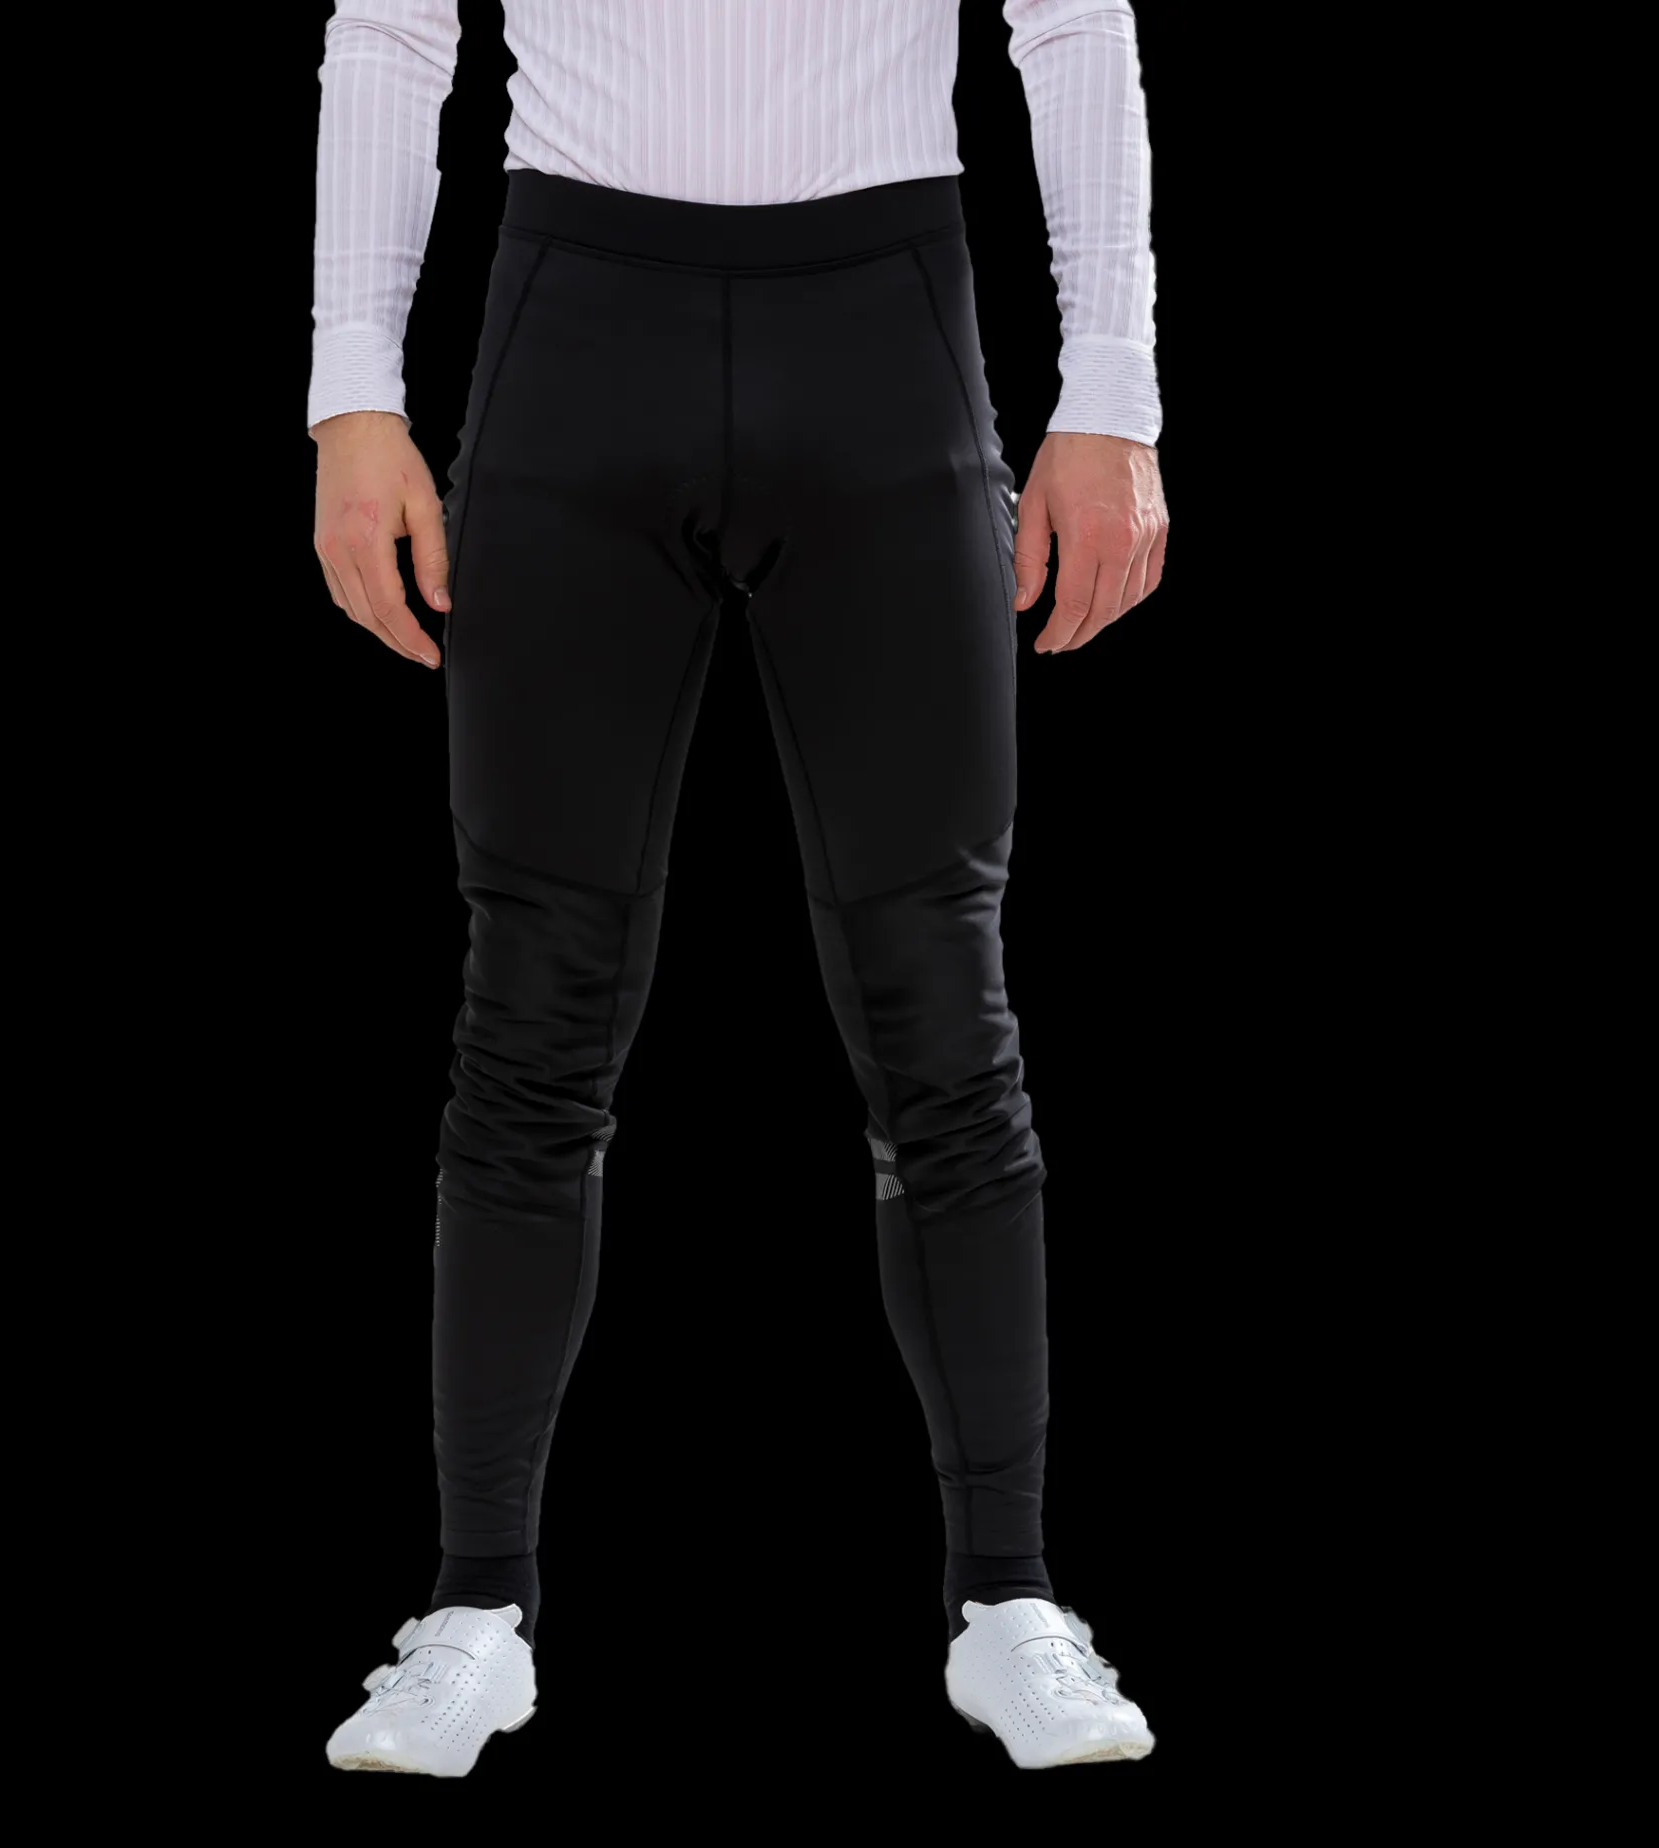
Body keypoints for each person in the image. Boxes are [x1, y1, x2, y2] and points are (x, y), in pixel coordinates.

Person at [310, 0, 1169, 1778]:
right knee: (530, 1003)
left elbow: (1075, 17)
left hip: (883, 323)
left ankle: (1009, 1600)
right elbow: (391, 24)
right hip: (576, 324)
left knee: (944, 1003)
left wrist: (1114, 388)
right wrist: (351, 394)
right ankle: (475, 1611)